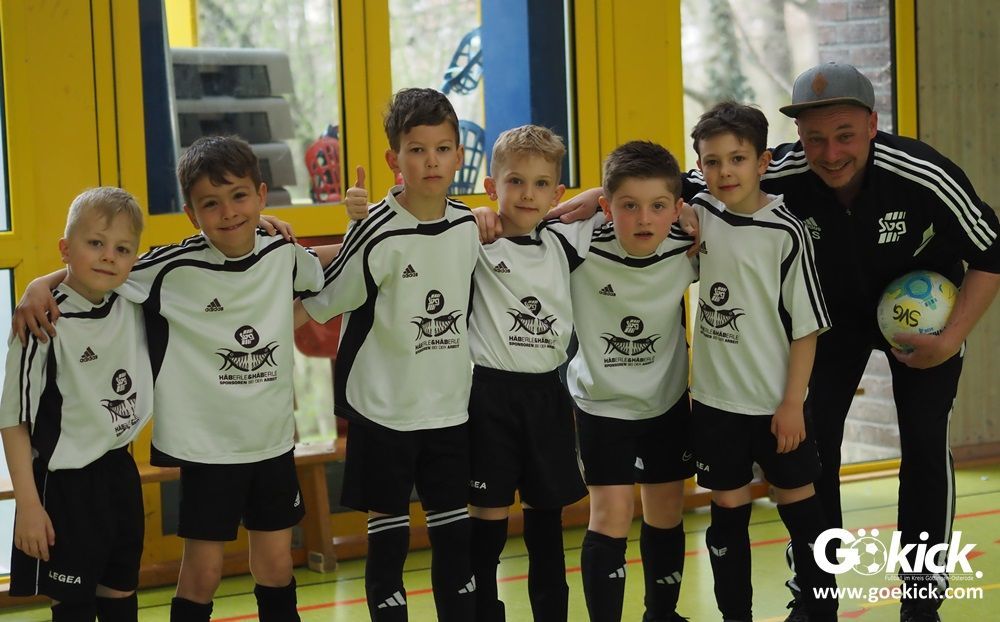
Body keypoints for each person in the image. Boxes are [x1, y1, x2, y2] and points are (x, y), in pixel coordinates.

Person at [553, 62, 1000, 622]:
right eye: (815, 139)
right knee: (815, 451)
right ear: (795, 139)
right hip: (831, 321)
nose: (830, 153)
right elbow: (679, 182)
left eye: (845, 136)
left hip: (921, 322)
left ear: (872, 125)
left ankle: (921, 599)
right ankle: (816, 599)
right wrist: (602, 193)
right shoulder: (778, 170)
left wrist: (951, 338)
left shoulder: (923, 175)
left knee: (925, 445)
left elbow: (992, 250)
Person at [14, 136, 330, 622]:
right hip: (204, 450)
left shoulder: (281, 254)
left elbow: (332, 268)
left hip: (272, 444)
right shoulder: (170, 268)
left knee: (276, 567)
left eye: (239, 197)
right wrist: (39, 284)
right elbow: (102, 269)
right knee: (202, 575)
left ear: (261, 196)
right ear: (191, 214)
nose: (229, 212)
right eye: (211, 203)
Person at [295, 87, 480, 622]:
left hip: (449, 409)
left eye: (442, 149)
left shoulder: (470, 225)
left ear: (459, 155)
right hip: (382, 409)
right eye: (417, 150)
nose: (431, 161)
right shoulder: (374, 230)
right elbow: (320, 303)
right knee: (388, 540)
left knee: (454, 538)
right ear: (393, 159)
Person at [688, 102, 837, 622]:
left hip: (777, 406)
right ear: (699, 166)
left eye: (737, 158)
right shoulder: (699, 214)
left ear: (763, 161)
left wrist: (793, 404)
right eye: (712, 162)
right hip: (715, 404)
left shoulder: (786, 232)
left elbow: (806, 330)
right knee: (727, 515)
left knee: (802, 511)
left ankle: (820, 612)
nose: (725, 171)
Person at [0, 187, 152, 621]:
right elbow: (13, 421)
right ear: (65, 248)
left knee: (121, 594)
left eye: (122, 249)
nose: (108, 257)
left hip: (119, 471)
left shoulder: (135, 296)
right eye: (95, 243)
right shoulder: (41, 320)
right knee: (74, 605)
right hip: (63, 485)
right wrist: (29, 507)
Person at [561, 141, 697, 622]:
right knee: (611, 515)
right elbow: (523, 222)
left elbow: (737, 199)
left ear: (676, 209)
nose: (644, 219)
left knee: (667, 511)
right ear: (606, 207)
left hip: (666, 402)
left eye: (658, 206)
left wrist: (695, 211)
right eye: (629, 206)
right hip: (602, 404)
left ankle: (662, 614)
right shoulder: (578, 246)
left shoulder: (689, 244)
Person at [464, 125, 587, 621]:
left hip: (547, 398)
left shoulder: (565, 240)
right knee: (486, 528)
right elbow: (420, 219)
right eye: (515, 181)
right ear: (491, 187)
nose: (527, 194)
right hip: (488, 397)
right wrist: (472, 214)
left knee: (547, 531)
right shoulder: (473, 239)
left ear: (557, 193)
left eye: (541, 184)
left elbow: (616, 195)